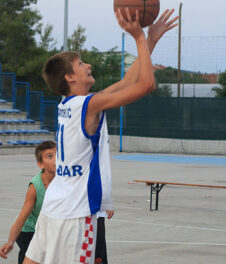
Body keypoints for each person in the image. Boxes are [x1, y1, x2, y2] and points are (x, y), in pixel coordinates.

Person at [23, 8, 178, 264]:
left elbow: (129, 79)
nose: (88, 65)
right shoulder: (87, 106)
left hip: (54, 206)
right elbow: (146, 84)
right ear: (70, 77)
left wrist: (151, 39)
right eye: (81, 63)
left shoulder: (69, 103)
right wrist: (139, 37)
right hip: (76, 211)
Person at [0, 141, 56, 264]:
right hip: (28, 231)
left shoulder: (65, 180)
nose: (56, 159)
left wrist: (104, 204)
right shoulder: (35, 187)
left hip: (48, 228)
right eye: (50, 156)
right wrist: (10, 241)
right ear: (40, 164)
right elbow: (21, 218)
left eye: (58, 155)